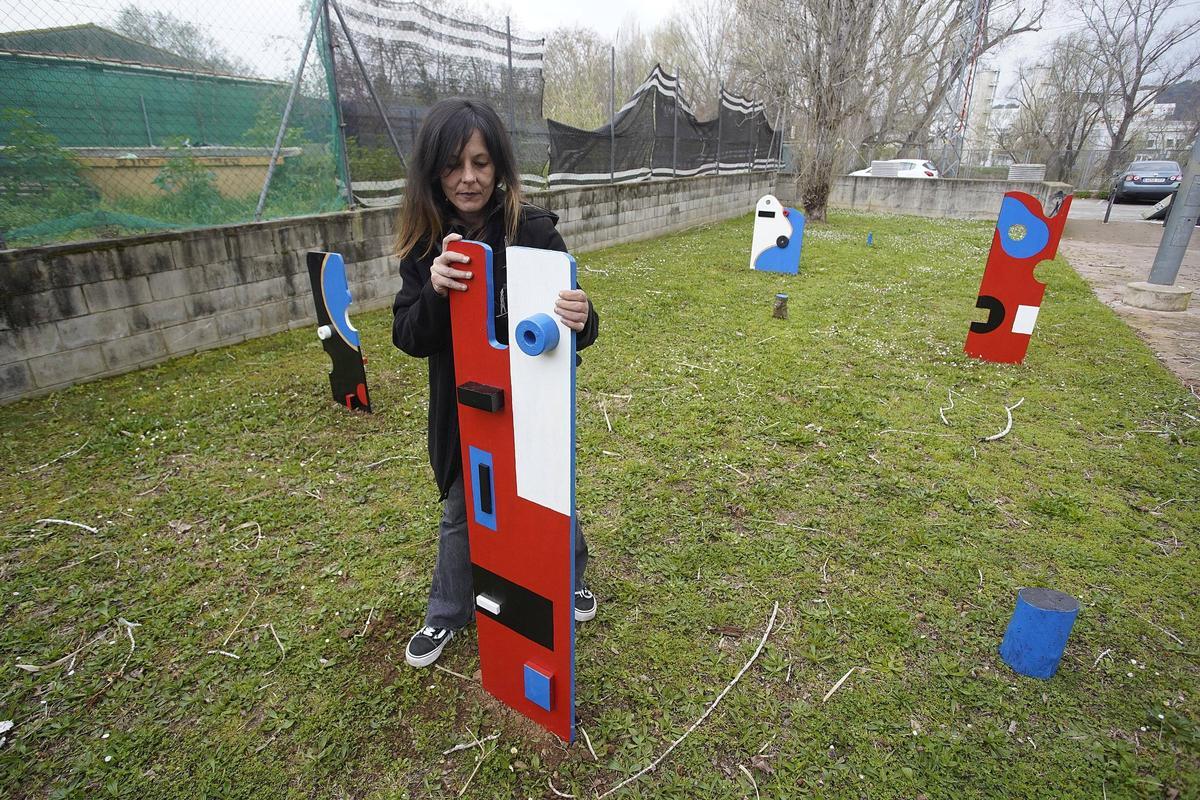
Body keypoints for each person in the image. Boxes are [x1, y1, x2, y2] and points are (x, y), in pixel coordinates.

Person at [391, 98, 600, 668]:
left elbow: (578, 320)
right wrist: (434, 290)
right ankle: (446, 612)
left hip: (534, 400)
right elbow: (407, 336)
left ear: (500, 167)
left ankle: (568, 576)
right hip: (470, 406)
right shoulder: (427, 245)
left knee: (550, 494)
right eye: (455, 165)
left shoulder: (531, 230)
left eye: (481, 163)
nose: (469, 178)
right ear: (435, 171)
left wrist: (581, 317)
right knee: (466, 506)